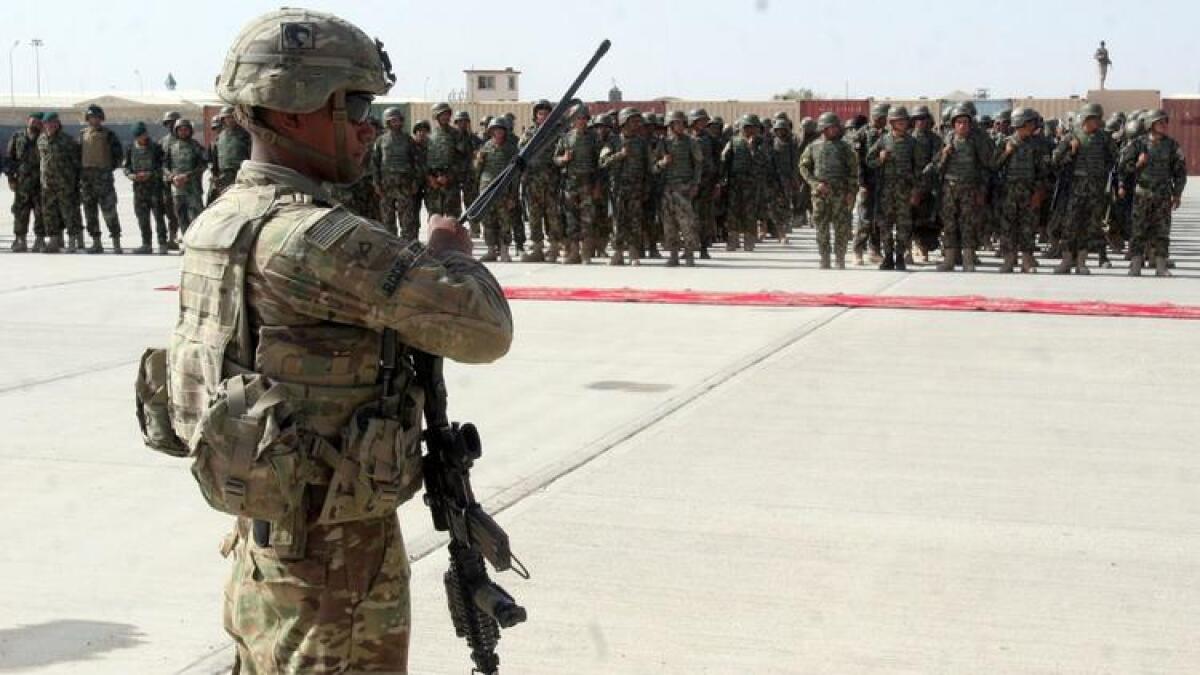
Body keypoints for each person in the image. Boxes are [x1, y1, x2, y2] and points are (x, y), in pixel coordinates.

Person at [160, 9, 511, 675]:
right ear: (291, 111)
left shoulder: (218, 223)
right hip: (336, 571)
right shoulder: (320, 240)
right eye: (353, 104)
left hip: (262, 554)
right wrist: (452, 256)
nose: (366, 125)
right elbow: (485, 329)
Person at [1119, 108, 1187, 276]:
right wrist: (1138, 164)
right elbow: (1123, 168)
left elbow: (1180, 171)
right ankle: (1135, 264)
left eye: (1165, 122)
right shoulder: (1138, 144)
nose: (1164, 125)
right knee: (1138, 231)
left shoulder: (1171, 145)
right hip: (1143, 194)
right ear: (1150, 124)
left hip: (1163, 196)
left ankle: (1160, 266)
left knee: (1162, 232)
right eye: (1159, 122)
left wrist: (1177, 193)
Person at [1051, 103, 1117, 274]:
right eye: (1095, 119)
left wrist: (1102, 172)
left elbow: (1115, 159)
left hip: (1095, 190)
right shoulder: (1072, 136)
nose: (1098, 122)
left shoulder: (1104, 138)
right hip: (1075, 189)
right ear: (1087, 119)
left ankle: (1081, 261)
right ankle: (1066, 260)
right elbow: (1055, 159)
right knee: (1070, 226)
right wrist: (1071, 152)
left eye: (1099, 119)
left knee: (1088, 226)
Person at [934, 105, 993, 272]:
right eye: (959, 122)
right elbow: (937, 167)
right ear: (953, 124)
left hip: (969, 189)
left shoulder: (976, 141)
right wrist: (944, 154)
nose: (962, 126)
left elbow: (984, 167)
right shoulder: (947, 139)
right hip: (949, 189)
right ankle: (949, 259)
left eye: (965, 122)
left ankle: (968, 259)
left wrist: (981, 190)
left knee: (967, 224)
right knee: (949, 224)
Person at [799, 112, 860, 269]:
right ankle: (824, 258)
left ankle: (840, 258)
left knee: (842, 227)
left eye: (836, 127)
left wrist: (851, 192)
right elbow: (804, 167)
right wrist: (814, 184)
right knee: (821, 227)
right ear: (823, 128)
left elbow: (853, 171)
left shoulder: (845, 148)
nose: (835, 130)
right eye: (831, 127)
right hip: (820, 193)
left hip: (840, 193)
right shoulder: (813, 147)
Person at [992, 107, 1049, 273]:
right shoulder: (1005, 142)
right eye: (1030, 122)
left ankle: (1026, 261)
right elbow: (993, 166)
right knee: (1008, 226)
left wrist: (1039, 192)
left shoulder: (1036, 145)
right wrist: (1006, 153)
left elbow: (1043, 171)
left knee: (1028, 226)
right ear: (1021, 123)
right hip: (1009, 191)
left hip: (1029, 191)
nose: (1033, 126)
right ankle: (1009, 260)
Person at [866, 106, 921, 270]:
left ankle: (900, 256)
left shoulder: (912, 142)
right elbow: (869, 160)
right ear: (892, 122)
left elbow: (918, 168)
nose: (903, 123)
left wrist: (916, 190)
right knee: (885, 225)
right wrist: (880, 159)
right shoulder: (883, 140)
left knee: (904, 225)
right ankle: (888, 256)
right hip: (886, 191)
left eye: (904, 120)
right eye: (899, 121)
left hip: (904, 190)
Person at [600, 107, 653, 265]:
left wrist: (646, 187)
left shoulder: (642, 143)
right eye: (632, 121)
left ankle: (633, 253)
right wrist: (619, 155)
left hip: (636, 188)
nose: (636, 124)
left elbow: (648, 168)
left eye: (637, 121)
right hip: (618, 189)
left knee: (635, 220)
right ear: (623, 122)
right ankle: (618, 252)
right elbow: (602, 162)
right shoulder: (613, 141)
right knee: (618, 220)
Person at [553, 104, 599, 264]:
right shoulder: (565, 138)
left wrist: (597, 186)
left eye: (583, 118)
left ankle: (586, 253)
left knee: (587, 219)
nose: (581, 121)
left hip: (587, 182)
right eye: (578, 118)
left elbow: (599, 163)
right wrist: (563, 159)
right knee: (571, 219)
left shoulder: (594, 138)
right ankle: (574, 252)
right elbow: (556, 159)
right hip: (570, 183)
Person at [78, 104, 124, 253]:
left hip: (103, 178)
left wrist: (108, 168)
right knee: (90, 212)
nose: (94, 120)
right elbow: (77, 155)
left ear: (101, 118)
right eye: (91, 117)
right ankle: (96, 242)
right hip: (87, 179)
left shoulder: (109, 134)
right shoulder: (82, 134)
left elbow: (118, 155)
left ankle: (116, 241)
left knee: (109, 211)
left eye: (97, 117)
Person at [520, 99, 561, 262]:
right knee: (534, 216)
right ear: (535, 116)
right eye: (540, 114)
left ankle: (553, 247)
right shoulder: (529, 134)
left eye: (546, 113)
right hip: (533, 182)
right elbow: (521, 155)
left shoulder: (557, 133)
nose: (543, 116)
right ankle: (537, 247)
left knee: (552, 215)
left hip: (551, 181)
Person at [37, 112, 83, 254]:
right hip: (47, 184)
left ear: (57, 124)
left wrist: (77, 183)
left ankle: (72, 241)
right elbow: (42, 160)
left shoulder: (67, 140)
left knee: (69, 213)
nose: (50, 126)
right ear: (44, 125)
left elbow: (77, 163)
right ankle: (54, 241)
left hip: (65, 184)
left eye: (53, 123)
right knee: (49, 213)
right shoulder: (41, 140)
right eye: (47, 123)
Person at [475, 117, 519, 262]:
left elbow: (516, 174)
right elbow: (477, 171)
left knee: (505, 221)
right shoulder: (485, 147)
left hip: (504, 190)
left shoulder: (511, 149)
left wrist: (513, 195)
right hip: (487, 189)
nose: (498, 133)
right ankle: (490, 250)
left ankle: (504, 250)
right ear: (491, 131)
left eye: (500, 130)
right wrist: (478, 160)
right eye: (495, 130)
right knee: (488, 221)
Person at [374, 107, 421, 240]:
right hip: (386, 186)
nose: (396, 123)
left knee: (407, 219)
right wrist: (376, 183)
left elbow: (416, 162)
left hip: (404, 185)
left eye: (398, 120)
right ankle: (390, 246)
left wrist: (415, 182)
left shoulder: (408, 140)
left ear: (401, 121)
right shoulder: (380, 141)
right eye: (392, 121)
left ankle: (408, 246)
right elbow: (375, 163)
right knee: (387, 219)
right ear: (387, 123)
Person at [123, 121, 169, 254]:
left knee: (159, 217)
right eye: (138, 135)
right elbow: (126, 167)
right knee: (142, 217)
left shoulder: (155, 148)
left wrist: (150, 174)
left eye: (142, 134)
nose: (141, 138)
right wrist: (132, 176)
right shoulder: (130, 148)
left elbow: (163, 167)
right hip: (139, 189)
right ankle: (146, 244)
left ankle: (162, 243)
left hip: (155, 188)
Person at [5, 112, 43, 252]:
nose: (35, 124)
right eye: (33, 121)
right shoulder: (17, 137)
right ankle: (20, 239)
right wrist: (10, 178)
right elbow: (10, 158)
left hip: (41, 183)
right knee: (21, 211)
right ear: (28, 121)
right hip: (22, 182)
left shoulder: (44, 137)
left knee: (41, 212)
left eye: (38, 122)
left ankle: (39, 240)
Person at [163, 118, 208, 234]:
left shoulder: (196, 146)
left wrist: (188, 175)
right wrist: (172, 177)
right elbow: (164, 166)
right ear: (176, 131)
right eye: (180, 130)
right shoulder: (171, 147)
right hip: (177, 189)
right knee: (181, 217)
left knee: (196, 217)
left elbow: (203, 164)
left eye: (186, 130)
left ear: (190, 131)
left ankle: (197, 242)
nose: (183, 132)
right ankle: (185, 243)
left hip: (193, 189)